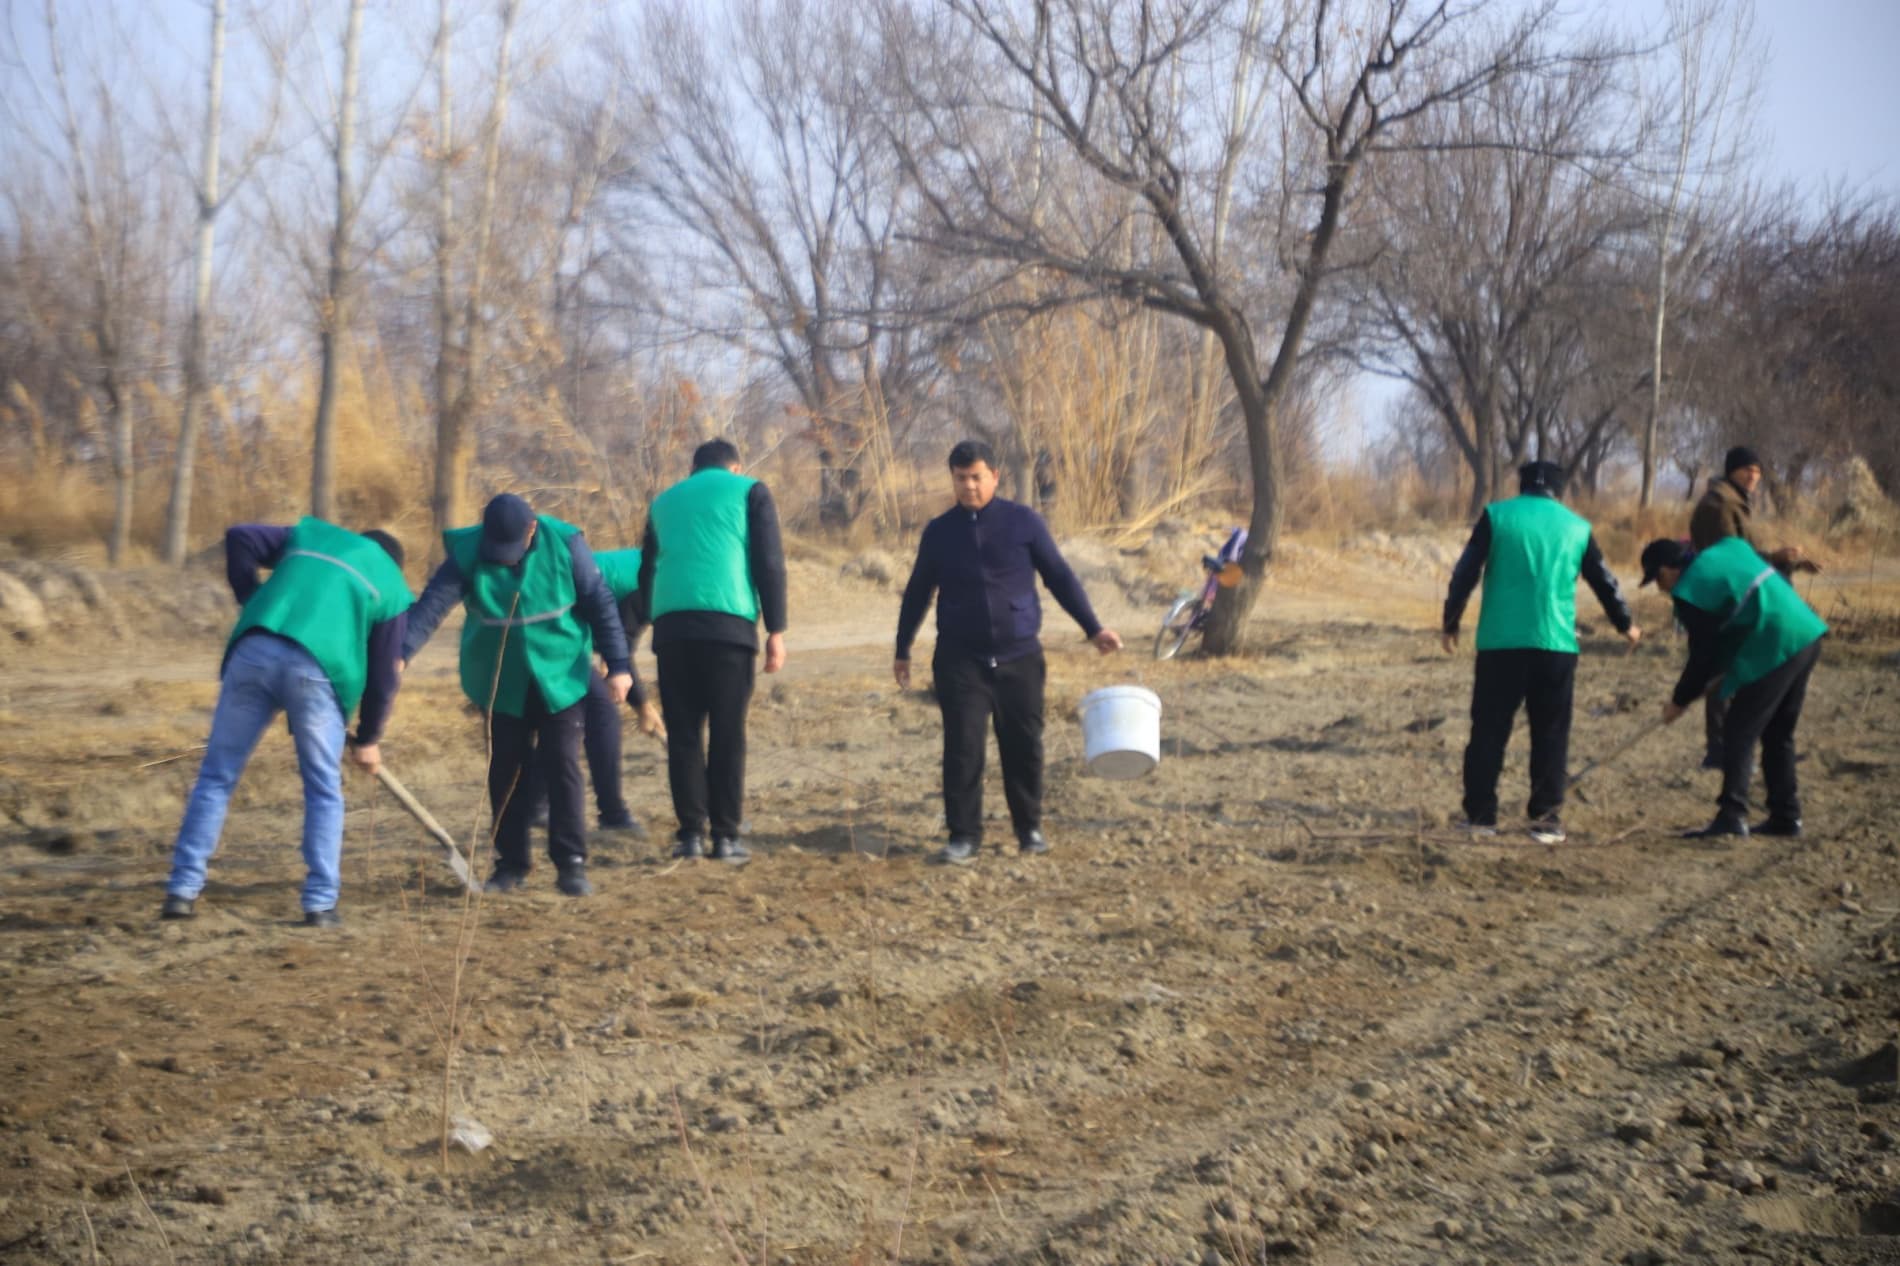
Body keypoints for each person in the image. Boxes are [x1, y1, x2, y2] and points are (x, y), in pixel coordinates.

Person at [161, 519, 412, 926]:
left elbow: (239, 535)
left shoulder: (313, 536)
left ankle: (181, 891)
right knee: (322, 789)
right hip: (317, 672)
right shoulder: (391, 584)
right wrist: (369, 737)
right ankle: (319, 904)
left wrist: (252, 599)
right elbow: (385, 675)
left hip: (254, 648)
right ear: (394, 563)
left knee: (217, 776)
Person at [894, 439, 1123, 866]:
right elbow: (918, 591)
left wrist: (1093, 628)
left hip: (1020, 657)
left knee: (1023, 745)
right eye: (961, 479)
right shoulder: (940, 532)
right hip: (961, 660)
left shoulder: (1024, 523)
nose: (969, 487)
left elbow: (1059, 576)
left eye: (977, 477)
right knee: (963, 749)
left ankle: (1029, 828)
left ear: (994, 476)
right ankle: (963, 836)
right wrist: (902, 648)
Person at [402, 493, 633, 897]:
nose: (504, 558)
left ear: (532, 529)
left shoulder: (565, 544)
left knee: (562, 763)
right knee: (505, 769)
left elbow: (600, 602)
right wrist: (400, 652)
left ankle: (571, 864)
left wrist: (619, 665)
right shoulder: (469, 551)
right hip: (498, 679)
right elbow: (432, 605)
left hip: (560, 674)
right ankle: (511, 865)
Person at [1441, 460, 1642, 844]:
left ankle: (1482, 817)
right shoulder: (1577, 527)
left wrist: (1451, 621)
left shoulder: (1496, 517)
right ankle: (1546, 821)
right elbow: (1604, 581)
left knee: (1488, 732)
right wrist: (1625, 623)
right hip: (1556, 644)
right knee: (1550, 733)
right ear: (1559, 490)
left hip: (1501, 644)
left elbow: (1465, 571)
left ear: (1522, 486)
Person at [636, 439, 789, 865]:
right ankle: (725, 836)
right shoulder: (750, 491)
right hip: (728, 627)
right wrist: (776, 628)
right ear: (734, 467)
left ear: (694, 468)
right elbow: (769, 561)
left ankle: (689, 836)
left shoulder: (663, 502)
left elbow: (647, 567)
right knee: (727, 732)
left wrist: (655, 615)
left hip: (673, 630)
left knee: (683, 735)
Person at [1639, 536, 1827, 839]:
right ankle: (1786, 817)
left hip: (1775, 640)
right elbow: (1731, 622)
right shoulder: (1728, 548)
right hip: (1806, 632)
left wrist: (1679, 700)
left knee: (1739, 730)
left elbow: (1703, 656)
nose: (1661, 588)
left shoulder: (1690, 590)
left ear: (1669, 569)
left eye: (1658, 578)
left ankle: (1732, 815)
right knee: (1778, 733)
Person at [1687, 445, 1821, 769]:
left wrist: (1791, 563)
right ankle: (1720, 750)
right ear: (1732, 470)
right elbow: (1732, 560)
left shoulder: (1734, 503)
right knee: (1723, 674)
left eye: (1759, 471)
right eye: (1748, 469)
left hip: (1734, 597)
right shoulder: (1719, 505)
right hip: (1724, 600)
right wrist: (1775, 559)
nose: (1754, 476)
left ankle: (1733, 747)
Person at [522, 545, 665, 835]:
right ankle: (612, 814)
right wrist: (643, 707)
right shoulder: (654, 580)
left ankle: (535, 806)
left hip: (551, 625)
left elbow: (613, 637)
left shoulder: (653, 567)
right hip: (546, 625)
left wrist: (608, 661)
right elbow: (621, 646)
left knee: (567, 717)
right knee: (600, 715)